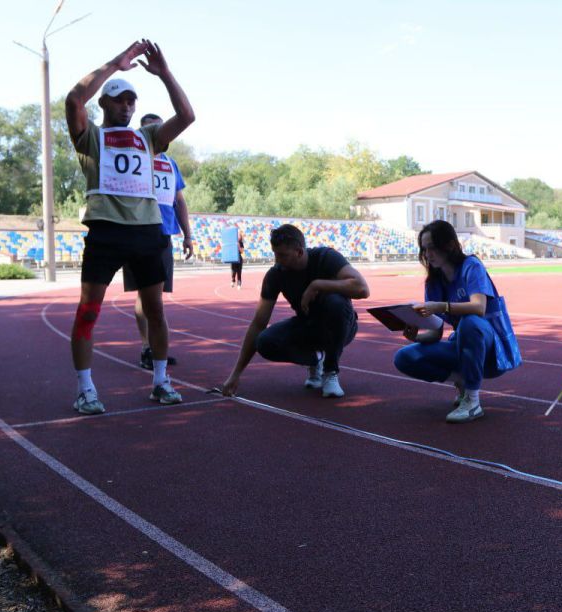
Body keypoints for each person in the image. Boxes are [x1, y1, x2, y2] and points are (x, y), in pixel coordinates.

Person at [66, 40, 195, 415]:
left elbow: (187, 116)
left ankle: (160, 382)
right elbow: (74, 99)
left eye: (131, 101)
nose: (127, 106)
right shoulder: (90, 137)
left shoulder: (148, 138)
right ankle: (86, 389)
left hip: (146, 233)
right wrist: (115, 65)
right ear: (104, 104)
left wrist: (166, 74)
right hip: (106, 231)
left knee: (155, 311)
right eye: (119, 99)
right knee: (89, 311)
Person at [393, 220, 522, 423]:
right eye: (424, 249)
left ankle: (472, 401)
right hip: (464, 347)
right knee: (403, 357)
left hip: (490, 351)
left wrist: (441, 306)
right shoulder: (434, 283)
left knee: (470, 322)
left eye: (432, 248)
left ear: (450, 245)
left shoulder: (472, 266)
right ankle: (462, 380)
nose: (427, 255)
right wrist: (416, 336)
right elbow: (436, 334)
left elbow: (479, 307)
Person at [220, 224, 369, 398]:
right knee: (264, 342)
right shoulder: (275, 274)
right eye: (275, 254)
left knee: (336, 303)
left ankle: (330, 372)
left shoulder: (325, 257)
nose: (277, 260)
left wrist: (317, 285)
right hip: (308, 326)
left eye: (282, 255)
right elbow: (259, 323)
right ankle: (315, 358)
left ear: (299, 252)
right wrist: (236, 374)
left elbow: (362, 289)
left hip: (341, 325)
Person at [122, 113, 194, 371]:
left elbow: (179, 200)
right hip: (138, 231)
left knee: (157, 296)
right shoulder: (132, 160)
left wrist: (188, 234)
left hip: (164, 234)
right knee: (145, 295)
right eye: (149, 129)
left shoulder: (171, 163)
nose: (155, 133)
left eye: (159, 128)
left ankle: (156, 347)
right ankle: (147, 347)